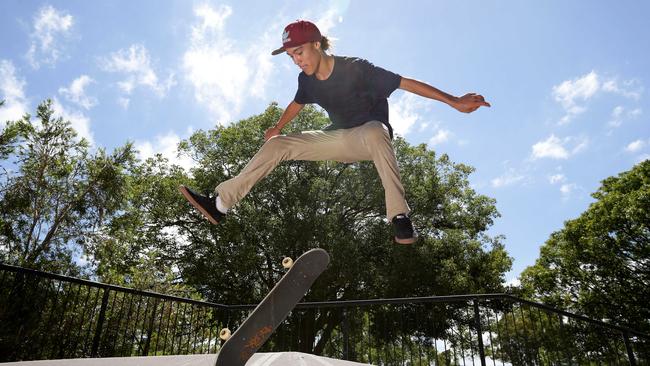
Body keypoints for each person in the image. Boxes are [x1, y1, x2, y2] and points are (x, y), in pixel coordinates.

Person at [179, 20, 490, 244]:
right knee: (278, 145)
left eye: (299, 52)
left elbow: (405, 82)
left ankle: (399, 217)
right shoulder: (307, 81)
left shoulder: (357, 68)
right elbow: (296, 104)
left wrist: (453, 101)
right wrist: (278, 128)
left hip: (368, 139)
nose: (296, 61)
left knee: (374, 131)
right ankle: (220, 205)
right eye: (291, 57)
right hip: (337, 140)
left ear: (317, 44)